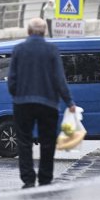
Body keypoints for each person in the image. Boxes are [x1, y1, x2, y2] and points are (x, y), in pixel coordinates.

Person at [8, 17, 75, 188]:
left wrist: (17, 95)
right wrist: (69, 102)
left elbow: (12, 80)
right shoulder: (52, 50)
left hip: (23, 103)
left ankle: (28, 180)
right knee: (47, 142)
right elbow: (60, 79)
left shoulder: (18, 50)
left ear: (28, 32)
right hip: (48, 104)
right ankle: (45, 178)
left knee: (24, 142)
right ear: (44, 32)